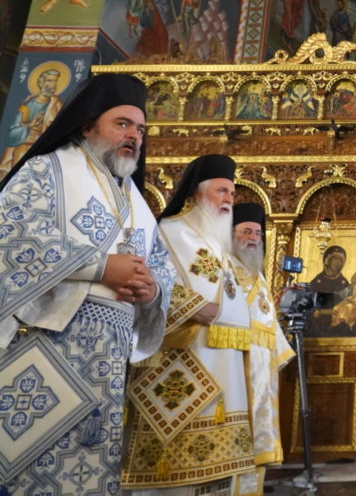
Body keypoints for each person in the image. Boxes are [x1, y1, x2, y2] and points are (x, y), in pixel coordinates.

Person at [0, 74, 173, 494]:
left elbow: (161, 265)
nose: (134, 137)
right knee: (39, 468)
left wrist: (151, 290)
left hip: (109, 356)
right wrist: (100, 268)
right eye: (122, 124)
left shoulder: (135, 199)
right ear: (87, 124)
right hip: (51, 345)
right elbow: (12, 234)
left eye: (140, 130)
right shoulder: (47, 170)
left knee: (92, 467)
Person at [122, 154, 261, 494]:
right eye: (221, 191)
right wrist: (193, 307)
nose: (229, 200)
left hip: (223, 361)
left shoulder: (217, 241)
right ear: (197, 193)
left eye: (232, 194)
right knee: (175, 474)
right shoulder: (170, 231)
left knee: (218, 473)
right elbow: (148, 278)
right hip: (182, 361)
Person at [231, 203, 294, 476]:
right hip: (236, 361)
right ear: (231, 234)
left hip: (262, 366)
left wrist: (278, 352)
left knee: (258, 432)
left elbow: (268, 319)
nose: (253, 238)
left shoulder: (258, 275)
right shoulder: (223, 267)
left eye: (257, 233)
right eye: (246, 231)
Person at [0, 67, 65, 176]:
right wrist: (30, 126)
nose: (53, 84)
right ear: (41, 83)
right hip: (24, 148)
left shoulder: (57, 105)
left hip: (46, 151)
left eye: (55, 81)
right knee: (20, 177)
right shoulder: (27, 106)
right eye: (49, 81)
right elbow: (12, 133)